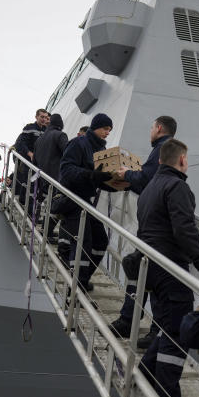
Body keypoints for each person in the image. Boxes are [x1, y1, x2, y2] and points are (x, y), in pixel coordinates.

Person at [135, 139, 199, 397]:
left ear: (159, 161)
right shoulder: (177, 187)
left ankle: (141, 375)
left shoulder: (148, 190)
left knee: (167, 328)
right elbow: (184, 227)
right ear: (182, 160)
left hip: (152, 268)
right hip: (171, 269)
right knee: (177, 335)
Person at [109, 115, 177, 345]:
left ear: (158, 128)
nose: (150, 131)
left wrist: (126, 174)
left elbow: (147, 178)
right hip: (153, 227)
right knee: (142, 273)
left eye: (151, 127)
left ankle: (139, 325)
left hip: (155, 230)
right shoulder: (165, 151)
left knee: (150, 276)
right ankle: (133, 322)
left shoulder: (162, 148)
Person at [57, 113, 116, 289]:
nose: (107, 133)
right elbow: (66, 170)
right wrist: (91, 174)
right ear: (96, 126)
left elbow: (97, 180)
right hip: (73, 198)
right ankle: (75, 289)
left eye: (110, 130)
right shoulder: (78, 143)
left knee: (100, 241)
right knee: (83, 243)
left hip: (86, 201)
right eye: (105, 129)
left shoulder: (100, 152)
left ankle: (82, 280)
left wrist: (120, 185)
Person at [13, 108, 49, 200]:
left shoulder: (46, 130)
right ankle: (23, 201)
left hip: (39, 161)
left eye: (45, 117)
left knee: (37, 182)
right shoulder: (29, 128)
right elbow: (21, 143)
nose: (44, 119)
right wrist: (30, 153)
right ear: (36, 117)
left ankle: (31, 203)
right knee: (27, 181)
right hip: (28, 159)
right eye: (42, 117)